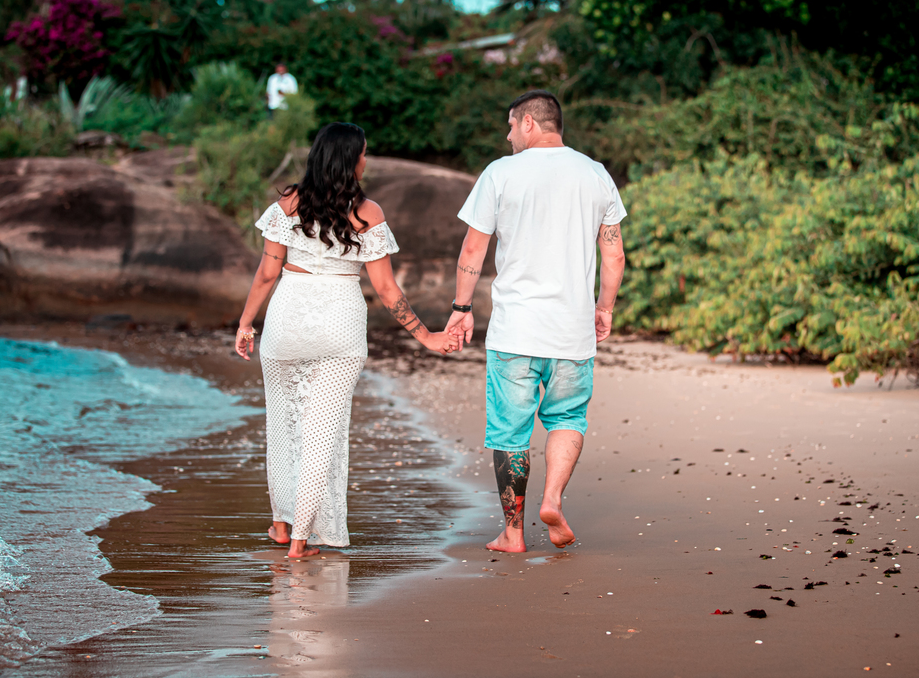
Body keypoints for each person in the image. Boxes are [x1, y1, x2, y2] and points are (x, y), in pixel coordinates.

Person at [235, 122, 460, 559]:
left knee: (283, 425)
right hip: (340, 324)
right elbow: (387, 291)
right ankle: (300, 539)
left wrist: (246, 324)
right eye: (363, 153)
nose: (366, 160)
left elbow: (266, 273)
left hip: (287, 320)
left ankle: (283, 524)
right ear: (351, 160)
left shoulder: (287, 205)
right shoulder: (368, 212)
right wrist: (426, 337)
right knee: (323, 433)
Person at [446, 90, 626, 553]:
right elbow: (614, 253)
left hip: (516, 331)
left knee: (510, 431)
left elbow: (473, 249)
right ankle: (552, 499)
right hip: (572, 331)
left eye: (510, 126)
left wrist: (461, 309)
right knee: (567, 417)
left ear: (529, 122)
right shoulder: (596, 175)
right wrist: (603, 308)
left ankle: (512, 532)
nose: (507, 136)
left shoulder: (501, 173)